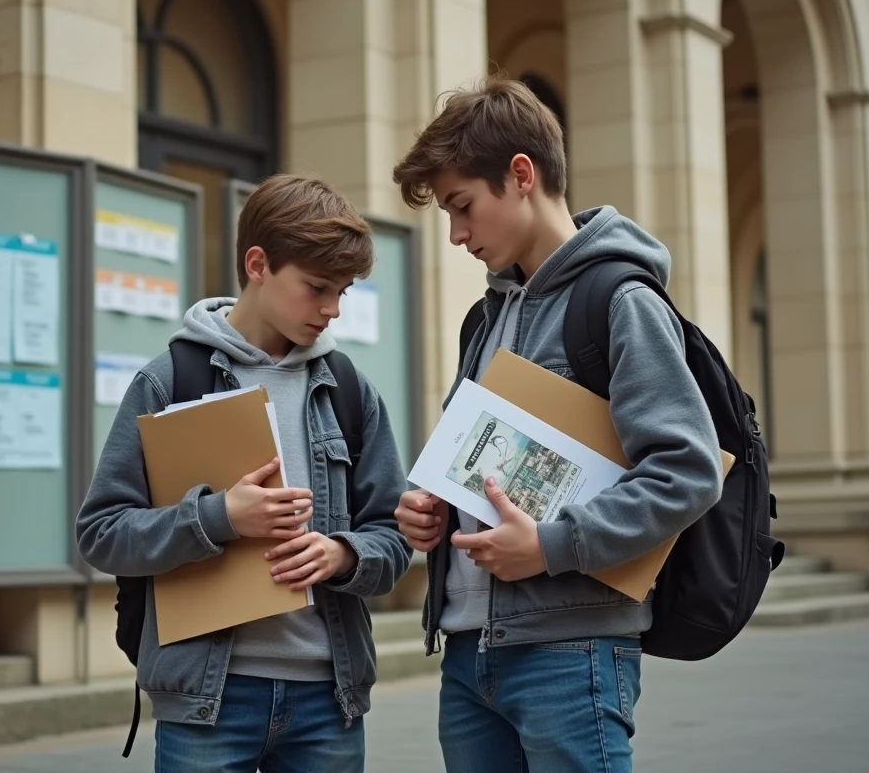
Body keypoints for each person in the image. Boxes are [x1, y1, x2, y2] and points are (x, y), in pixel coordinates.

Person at [391, 76, 724, 772]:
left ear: (520, 175)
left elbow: (687, 471)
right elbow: (475, 466)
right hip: (466, 651)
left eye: (462, 207)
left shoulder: (621, 300)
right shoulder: (483, 319)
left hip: (571, 654)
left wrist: (552, 545)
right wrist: (431, 514)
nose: (455, 235)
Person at [76, 173, 412, 773]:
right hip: (208, 702)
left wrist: (343, 555)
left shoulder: (350, 391)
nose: (332, 310)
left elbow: (394, 537)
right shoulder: (169, 381)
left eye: (343, 291)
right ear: (258, 264)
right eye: (316, 288)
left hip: (327, 700)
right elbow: (102, 533)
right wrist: (219, 517)